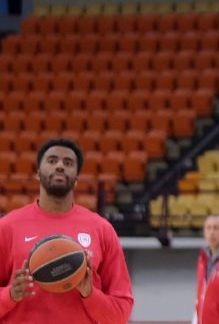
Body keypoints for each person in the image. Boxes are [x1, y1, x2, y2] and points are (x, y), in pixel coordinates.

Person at [0, 138, 133, 324]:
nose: (60, 166)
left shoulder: (101, 229)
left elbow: (121, 313)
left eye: (68, 163)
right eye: (52, 161)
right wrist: (10, 295)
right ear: (38, 173)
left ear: (76, 178)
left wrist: (90, 293)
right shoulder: (7, 227)